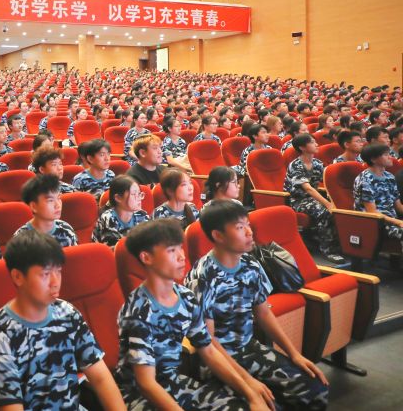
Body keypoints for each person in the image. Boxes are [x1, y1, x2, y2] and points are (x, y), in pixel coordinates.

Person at [187, 200, 329, 410]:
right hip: (217, 360)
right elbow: (209, 342)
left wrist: (294, 354)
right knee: (266, 405)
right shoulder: (202, 277)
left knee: (315, 390)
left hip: (248, 348)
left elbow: (263, 314)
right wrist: (248, 382)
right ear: (218, 235)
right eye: (239, 227)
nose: (249, 232)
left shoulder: (251, 264)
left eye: (248, 224)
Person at [115, 219, 267, 411]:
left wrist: (250, 394)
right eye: (171, 251)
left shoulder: (186, 297)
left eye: (180, 248)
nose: (181, 257)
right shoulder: (138, 311)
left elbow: (208, 350)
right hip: (137, 395)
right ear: (147, 258)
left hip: (172, 381)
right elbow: (146, 384)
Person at [0, 230, 126, 411]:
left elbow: (100, 377)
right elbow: (10, 407)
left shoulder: (67, 313)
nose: (55, 282)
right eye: (45, 274)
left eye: (58, 271)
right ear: (18, 277)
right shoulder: (0, 333)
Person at [284, 134, 345, 264]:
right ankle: (328, 250)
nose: (317, 144)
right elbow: (308, 189)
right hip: (299, 201)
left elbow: (327, 182)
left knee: (340, 208)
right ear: (302, 147)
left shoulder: (317, 163)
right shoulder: (295, 165)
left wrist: (335, 199)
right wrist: (328, 204)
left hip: (314, 198)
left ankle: (340, 244)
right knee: (325, 212)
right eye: (312, 142)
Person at [354, 143, 403, 249]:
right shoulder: (365, 180)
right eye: (386, 155)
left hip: (391, 220)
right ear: (373, 159)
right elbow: (372, 212)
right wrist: (398, 222)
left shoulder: (389, 177)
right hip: (375, 223)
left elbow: (398, 206)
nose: (391, 157)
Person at [14, 174, 77, 247]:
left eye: (59, 198)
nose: (58, 205)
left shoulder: (66, 229)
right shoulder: (21, 239)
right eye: (50, 200)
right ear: (34, 206)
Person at [92, 175, 150, 248]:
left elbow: (151, 240)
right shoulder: (108, 218)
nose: (139, 198)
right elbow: (116, 249)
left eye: (139, 194)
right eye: (133, 194)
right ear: (118, 198)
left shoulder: (142, 214)